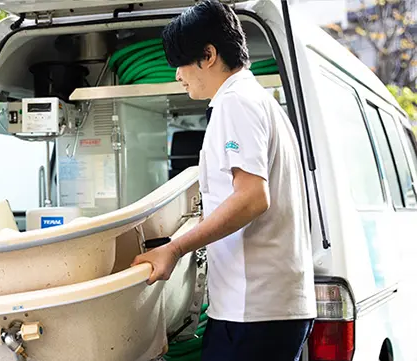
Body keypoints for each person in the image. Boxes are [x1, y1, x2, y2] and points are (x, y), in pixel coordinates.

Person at [131, 1, 316, 360]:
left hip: (254, 313)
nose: (177, 76)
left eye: (180, 64)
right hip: (265, 310)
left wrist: (175, 249)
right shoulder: (257, 101)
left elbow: (251, 198)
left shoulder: (237, 102)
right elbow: (234, 201)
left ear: (208, 55)